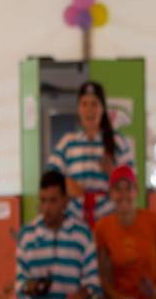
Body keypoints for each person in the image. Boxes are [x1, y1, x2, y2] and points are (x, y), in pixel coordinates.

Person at [15, 168, 100, 299]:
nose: (47, 208)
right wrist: (30, 287)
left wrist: (82, 295)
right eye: (43, 200)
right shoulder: (27, 235)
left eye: (53, 200)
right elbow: (20, 281)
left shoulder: (82, 234)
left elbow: (93, 279)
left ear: (65, 200)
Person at [48, 80, 134, 226]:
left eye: (94, 104)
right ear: (78, 109)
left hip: (110, 218)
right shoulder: (67, 142)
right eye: (84, 104)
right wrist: (66, 184)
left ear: (103, 108)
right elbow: (51, 179)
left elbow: (132, 183)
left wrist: (114, 174)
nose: (89, 110)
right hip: (73, 220)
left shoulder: (119, 142)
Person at [94, 166, 156, 299]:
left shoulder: (154, 222)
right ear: (111, 193)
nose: (123, 194)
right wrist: (118, 298)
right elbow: (103, 276)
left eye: (128, 188)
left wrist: (155, 290)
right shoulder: (103, 228)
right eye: (117, 189)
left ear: (136, 191)